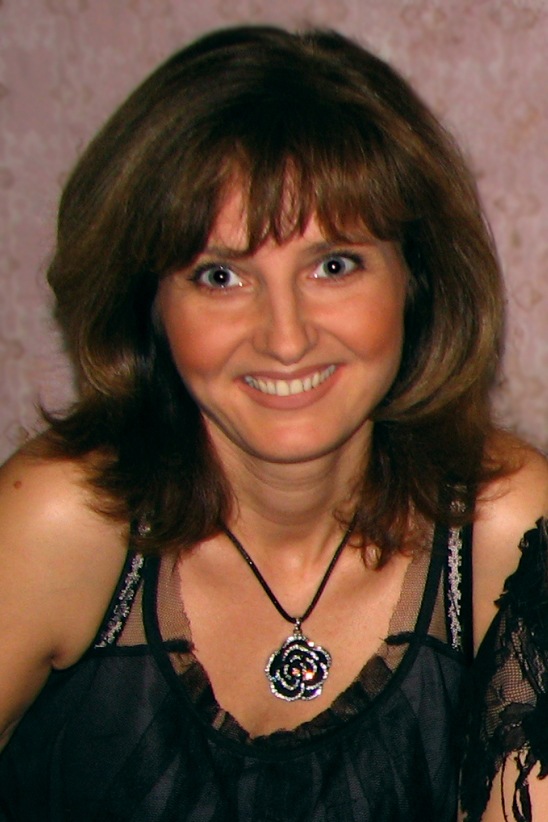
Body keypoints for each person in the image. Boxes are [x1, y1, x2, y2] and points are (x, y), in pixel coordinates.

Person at [0, 24, 546, 822]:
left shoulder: (508, 528)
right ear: (149, 306)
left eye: (333, 265)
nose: (285, 338)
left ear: (417, 280)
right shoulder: (60, 522)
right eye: (220, 276)